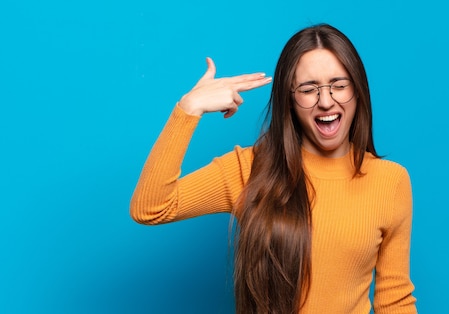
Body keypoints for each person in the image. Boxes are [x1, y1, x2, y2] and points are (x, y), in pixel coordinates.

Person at [131, 23, 417, 314]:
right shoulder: (250, 168)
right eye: (308, 89)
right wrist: (189, 108)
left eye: (339, 85)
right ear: (290, 99)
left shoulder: (390, 181)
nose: (326, 101)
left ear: (358, 91)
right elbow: (150, 208)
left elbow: (395, 300)